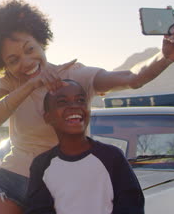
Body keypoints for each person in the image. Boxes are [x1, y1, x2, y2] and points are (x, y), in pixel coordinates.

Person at [0, 0, 174, 213]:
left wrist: (165, 57)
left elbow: (132, 77)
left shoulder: (74, 75)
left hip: (65, 180)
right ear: (3, 65)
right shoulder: (9, 82)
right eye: (13, 60)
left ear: (41, 41)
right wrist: (31, 85)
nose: (25, 62)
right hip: (14, 178)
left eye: (30, 49)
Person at [26, 79, 144, 214]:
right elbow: (38, 210)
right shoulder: (41, 165)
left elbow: (132, 205)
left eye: (81, 100)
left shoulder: (112, 157)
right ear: (48, 117)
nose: (74, 106)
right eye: (62, 102)